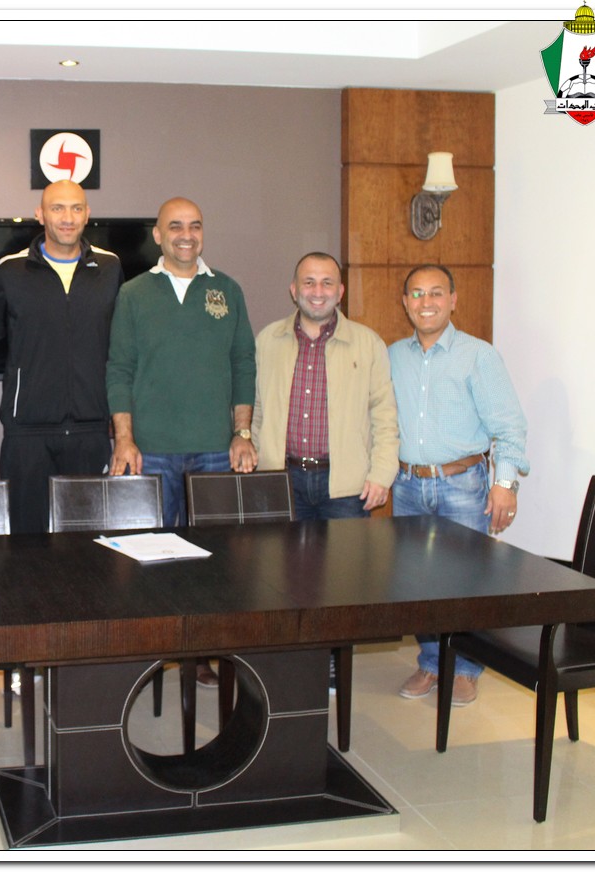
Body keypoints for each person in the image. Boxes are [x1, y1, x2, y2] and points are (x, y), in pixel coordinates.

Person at [390, 264, 529, 706]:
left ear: (453, 299)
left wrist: (505, 484)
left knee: (466, 582)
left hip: (463, 484)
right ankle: (432, 662)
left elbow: (509, 427)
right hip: (408, 485)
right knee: (417, 583)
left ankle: (466, 668)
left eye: (436, 293)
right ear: (405, 303)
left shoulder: (479, 355)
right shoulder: (393, 356)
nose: (426, 302)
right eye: (417, 293)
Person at [106, 196, 257, 528]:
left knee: (216, 550)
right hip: (149, 451)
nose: (186, 235)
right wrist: (124, 439)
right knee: (148, 547)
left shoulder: (228, 290)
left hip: (216, 451)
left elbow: (243, 364)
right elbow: (119, 370)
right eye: (175, 227)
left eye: (195, 226)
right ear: (158, 235)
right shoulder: (133, 294)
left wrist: (243, 433)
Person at [0, 180, 123, 534]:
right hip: (26, 434)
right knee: (25, 544)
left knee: (89, 543)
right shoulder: (10, 271)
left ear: (87, 214)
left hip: (91, 431)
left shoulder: (110, 268)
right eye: (57, 208)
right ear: (40, 214)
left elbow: (118, 346)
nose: (67, 217)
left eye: (76, 208)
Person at [252, 252, 398, 519]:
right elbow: (258, 409)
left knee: (345, 550)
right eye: (308, 282)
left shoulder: (368, 344)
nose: (318, 291)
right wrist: (258, 468)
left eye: (327, 283)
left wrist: (382, 474)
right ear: (294, 290)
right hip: (281, 481)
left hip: (347, 488)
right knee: (278, 549)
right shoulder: (267, 341)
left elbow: (384, 416)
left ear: (340, 292)